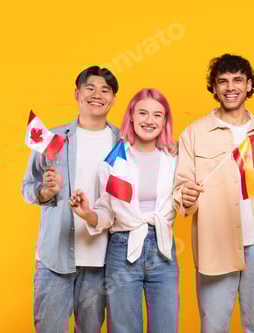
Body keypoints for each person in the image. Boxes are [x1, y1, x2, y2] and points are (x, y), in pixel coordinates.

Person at [173, 54, 254, 332]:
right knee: (213, 326)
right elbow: (180, 187)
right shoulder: (194, 134)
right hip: (216, 246)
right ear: (213, 88)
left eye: (238, 80)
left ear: (249, 85)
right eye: (222, 81)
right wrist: (185, 196)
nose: (230, 87)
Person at [70, 88, 179, 332]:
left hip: (162, 249)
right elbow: (106, 213)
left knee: (166, 327)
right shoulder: (115, 161)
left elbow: (185, 201)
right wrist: (87, 213)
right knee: (123, 327)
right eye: (142, 113)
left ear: (164, 121)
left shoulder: (175, 160)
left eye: (157, 115)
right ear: (131, 116)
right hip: (123, 248)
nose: (149, 121)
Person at [22, 66, 119, 332]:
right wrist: (45, 192)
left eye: (105, 90)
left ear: (112, 99)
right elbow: (27, 187)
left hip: (102, 261)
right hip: (55, 257)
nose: (97, 94)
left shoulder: (123, 142)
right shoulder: (51, 139)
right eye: (90, 88)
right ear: (77, 93)